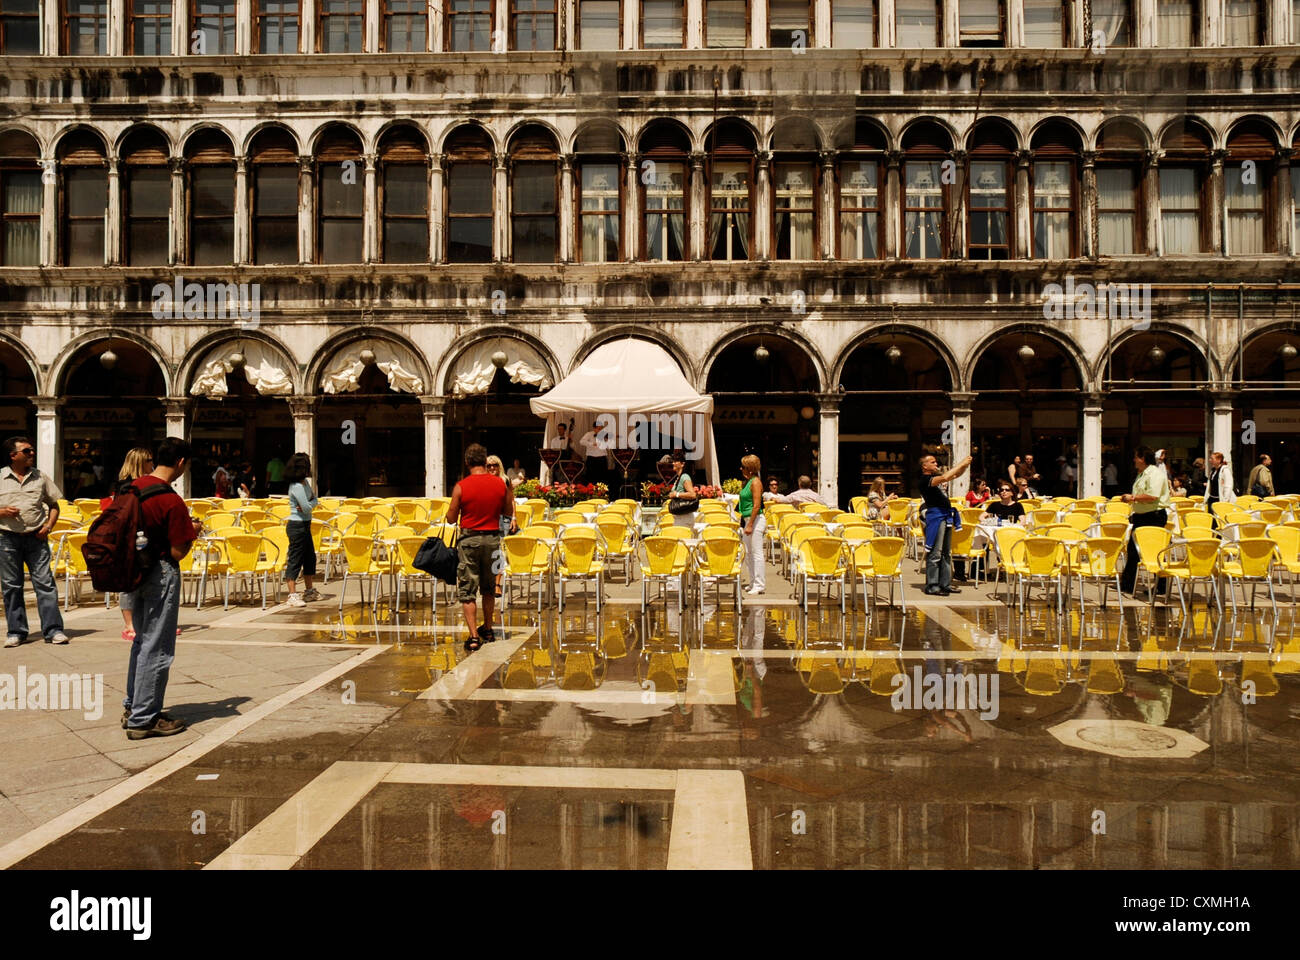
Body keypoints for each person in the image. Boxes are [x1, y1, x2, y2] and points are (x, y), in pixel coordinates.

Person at [123, 437, 202, 738]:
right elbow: (178, 552)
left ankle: (133, 705)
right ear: (181, 463)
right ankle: (144, 718)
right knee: (158, 646)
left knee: (141, 641)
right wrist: (192, 532)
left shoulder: (132, 488)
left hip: (132, 571)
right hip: (160, 573)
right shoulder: (170, 499)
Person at [445, 443, 515, 651]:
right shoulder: (500, 485)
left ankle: (474, 636)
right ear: (485, 462)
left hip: (469, 541)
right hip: (493, 540)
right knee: (489, 588)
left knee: (468, 589)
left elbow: (450, 518)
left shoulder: (461, 486)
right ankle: (489, 628)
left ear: (467, 463)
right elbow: (508, 511)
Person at [0, 436, 68, 648]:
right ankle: (16, 631)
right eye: (27, 451)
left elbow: (54, 504)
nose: (32, 454)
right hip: (7, 537)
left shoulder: (40, 477)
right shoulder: (0, 476)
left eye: (32, 450)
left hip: (36, 537)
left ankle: (53, 630)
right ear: (14, 455)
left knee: (45, 584)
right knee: (11, 586)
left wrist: (48, 526)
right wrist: (1, 511)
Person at [100, 447, 154, 641]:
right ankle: (129, 625)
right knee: (129, 583)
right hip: (128, 539)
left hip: (145, 538)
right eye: (149, 460)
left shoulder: (150, 483)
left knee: (149, 580)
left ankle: (150, 623)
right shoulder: (125, 486)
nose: (153, 463)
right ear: (140, 462)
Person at [1119, 446, 1171, 596]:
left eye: (1136, 457)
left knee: (1154, 551)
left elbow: (1152, 496)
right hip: (1142, 516)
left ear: (1142, 458)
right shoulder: (1142, 474)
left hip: (1153, 516)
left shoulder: (1154, 474)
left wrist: (1133, 498)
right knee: (1133, 549)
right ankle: (1128, 584)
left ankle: (1160, 586)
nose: (1134, 460)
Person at [919, 453, 972, 596]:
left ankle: (945, 583)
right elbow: (945, 477)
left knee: (946, 553)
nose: (936, 464)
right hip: (936, 517)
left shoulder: (934, 479)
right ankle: (932, 585)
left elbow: (955, 475)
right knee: (935, 552)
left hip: (946, 515)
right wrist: (961, 462)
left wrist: (965, 465)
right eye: (933, 462)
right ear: (925, 466)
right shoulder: (926, 479)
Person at [282, 453, 321, 608]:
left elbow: (314, 499)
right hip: (296, 526)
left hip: (306, 524)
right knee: (295, 559)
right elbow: (306, 507)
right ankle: (292, 594)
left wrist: (311, 502)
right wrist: (311, 503)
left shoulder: (304, 483)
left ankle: (309, 590)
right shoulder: (296, 487)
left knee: (309, 558)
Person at [738, 454, 765, 595]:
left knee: (757, 553)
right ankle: (753, 581)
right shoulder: (748, 482)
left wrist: (750, 525)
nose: (740, 469)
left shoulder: (755, 482)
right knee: (748, 553)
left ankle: (760, 584)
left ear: (749, 468)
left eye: (743, 467)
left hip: (755, 520)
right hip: (748, 519)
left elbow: (756, 505)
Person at [666, 451, 697, 527]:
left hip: (684, 518)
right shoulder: (679, 477)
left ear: (682, 464)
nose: (673, 463)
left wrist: (676, 494)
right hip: (680, 516)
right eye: (673, 461)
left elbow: (692, 494)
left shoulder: (685, 477)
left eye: (676, 461)